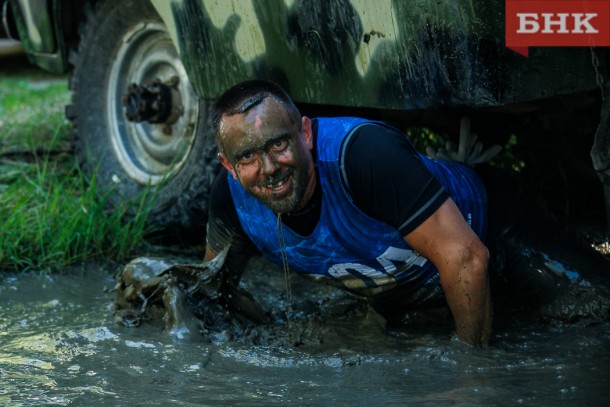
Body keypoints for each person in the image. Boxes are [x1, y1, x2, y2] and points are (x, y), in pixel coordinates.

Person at [203, 79, 610, 346]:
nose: (270, 168)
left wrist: (471, 377)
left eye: (278, 144)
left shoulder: (362, 155)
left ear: (305, 134)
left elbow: (466, 257)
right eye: (249, 156)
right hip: (412, 294)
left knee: (596, 310)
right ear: (229, 165)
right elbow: (210, 291)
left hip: (496, 229)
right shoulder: (231, 203)